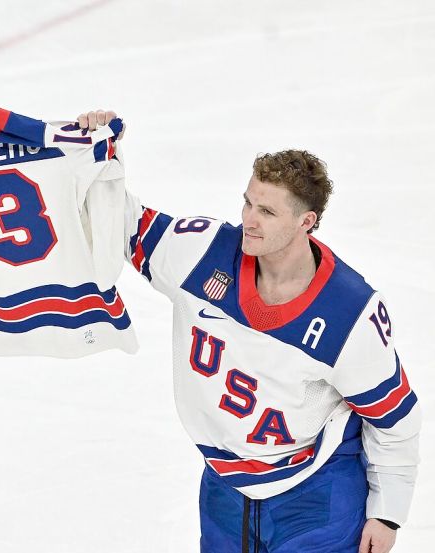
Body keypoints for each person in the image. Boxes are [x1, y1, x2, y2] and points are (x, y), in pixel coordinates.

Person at [74, 111, 421, 553]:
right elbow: (122, 225)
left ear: (306, 222)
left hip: (316, 492)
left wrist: (387, 512)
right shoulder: (202, 253)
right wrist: (98, 153)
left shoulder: (349, 312)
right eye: (248, 203)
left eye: (268, 211)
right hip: (224, 486)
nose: (249, 220)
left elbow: (394, 419)